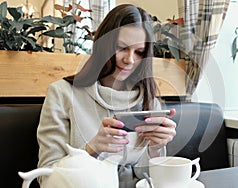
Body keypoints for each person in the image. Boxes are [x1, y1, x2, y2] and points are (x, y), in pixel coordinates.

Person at [37, 4, 177, 187]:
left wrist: (156, 149)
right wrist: (91, 149)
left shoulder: (149, 101)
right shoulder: (62, 94)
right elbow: (47, 179)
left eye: (139, 52)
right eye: (121, 48)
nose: (130, 60)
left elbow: (150, 179)